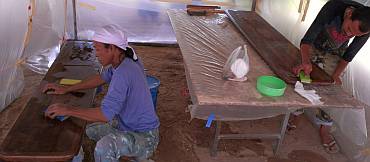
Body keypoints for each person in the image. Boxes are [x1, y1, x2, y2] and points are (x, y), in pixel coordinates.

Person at [43, 25, 159, 162]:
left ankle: (138, 156)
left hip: (144, 136)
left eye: (98, 49)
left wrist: (68, 109)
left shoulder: (123, 73)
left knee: (104, 147)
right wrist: (66, 88)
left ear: (112, 48)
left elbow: (104, 115)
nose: (96, 54)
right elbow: (101, 78)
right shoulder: (125, 59)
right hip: (123, 126)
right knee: (85, 131)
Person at [292, 0, 370, 154]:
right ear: (348, 14)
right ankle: (296, 113)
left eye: (353, 34)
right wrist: (306, 62)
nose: (347, 34)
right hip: (314, 44)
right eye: (348, 28)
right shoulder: (333, 7)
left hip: (336, 53)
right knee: (303, 78)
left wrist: (335, 76)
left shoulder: (365, 26)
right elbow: (307, 40)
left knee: (331, 91)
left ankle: (325, 128)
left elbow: (349, 55)